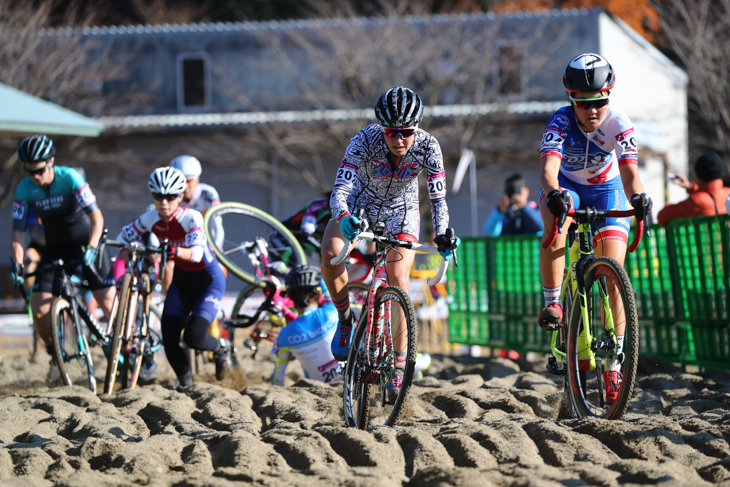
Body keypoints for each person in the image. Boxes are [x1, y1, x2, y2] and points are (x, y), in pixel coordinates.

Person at [321, 86, 459, 399]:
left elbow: (438, 200)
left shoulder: (428, 147)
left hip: (403, 212)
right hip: (360, 206)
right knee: (331, 252)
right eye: (392, 132)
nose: (399, 139)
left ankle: (398, 367)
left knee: (397, 279)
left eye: (406, 132)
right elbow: (340, 189)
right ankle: (345, 318)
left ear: (417, 128)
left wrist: (443, 232)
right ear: (382, 128)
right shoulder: (363, 140)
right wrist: (342, 216)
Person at [537, 54, 652, 404]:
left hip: (607, 188)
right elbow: (548, 170)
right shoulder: (558, 122)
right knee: (555, 221)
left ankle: (614, 360)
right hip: (568, 186)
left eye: (600, 101)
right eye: (584, 103)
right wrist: (555, 195)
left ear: (609, 95)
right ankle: (554, 303)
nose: (592, 110)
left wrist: (640, 198)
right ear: (571, 99)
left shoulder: (619, 122)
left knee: (613, 274)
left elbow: (630, 173)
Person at [10, 134, 116, 381]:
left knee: (108, 303)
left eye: (38, 170)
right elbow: (17, 233)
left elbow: (96, 218)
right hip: (55, 249)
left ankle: (130, 350)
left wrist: (91, 247)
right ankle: (55, 354)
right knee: (38, 310)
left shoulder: (69, 178)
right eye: (29, 171)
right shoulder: (25, 188)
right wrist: (16, 264)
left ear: (51, 161)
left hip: (85, 245)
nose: (34, 176)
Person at [116, 166, 230, 390]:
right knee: (168, 337)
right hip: (181, 282)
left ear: (180, 196)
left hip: (208, 282)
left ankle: (220, 348)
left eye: (170, 197)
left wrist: (172, 252)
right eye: (158, 196)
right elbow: (122, 240)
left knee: (193, 338)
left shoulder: (192, 217)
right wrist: (138, 253)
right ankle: (186, 382)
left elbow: (197, 254)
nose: (164, 202)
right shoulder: (149, 218)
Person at [270, 265, 340, 386]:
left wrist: (289, 276)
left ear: (291, 298)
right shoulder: (332, 311)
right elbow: (326, 283)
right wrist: (287, 272)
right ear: (317, 294)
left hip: (319, 388)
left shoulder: (284, 336)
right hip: (353, 380)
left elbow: (277, 380)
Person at [657, 152, 730, 224]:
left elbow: (662, 216)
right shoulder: (728, 193)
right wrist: (690, 186)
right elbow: (711, 194)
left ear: (698, 175)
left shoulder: (697, 201)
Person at [169, 155, 224, 248]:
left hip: (206, 242)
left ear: (197, 179)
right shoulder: (170, 198)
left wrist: (217, 249)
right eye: (180, 181)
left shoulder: (207, 193)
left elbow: (217, 225)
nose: (185, 186)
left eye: (189, 180)